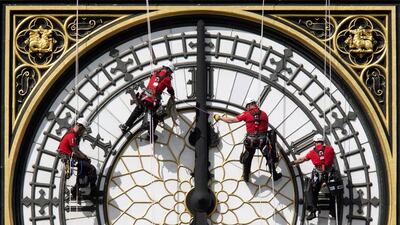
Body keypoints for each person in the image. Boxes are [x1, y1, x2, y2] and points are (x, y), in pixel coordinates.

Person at [214, 98, 282, 182]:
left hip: (251, 141)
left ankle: (246, 176)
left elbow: (231, 120)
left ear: (248, 105)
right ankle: (274, 175)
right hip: (263, 141)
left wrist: (220, 117)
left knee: (248, 156)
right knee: (269, 157)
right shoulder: (264, 114)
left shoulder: (246, 114)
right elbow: (265, 127)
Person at [120, 62, 175, 141]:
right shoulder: (167, 79)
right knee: (157, 115)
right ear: (169, 70)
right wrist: (172, 95)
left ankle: (125, 126)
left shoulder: (155, 73)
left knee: (138, 110)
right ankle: (150, 134)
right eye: (171, 72)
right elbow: (170, 89)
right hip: (153, 100)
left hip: (144, 96)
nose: (171, 74)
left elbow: (152, 82)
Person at [292, 133, 337, 220]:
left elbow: (303, 159)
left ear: (314, 143)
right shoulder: (330, 149)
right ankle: (333, 210)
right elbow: (333, 157)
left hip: (318, 174)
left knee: (311, 191)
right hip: (329, 173)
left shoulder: (312, 152)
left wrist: (293, 162)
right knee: (333, 192)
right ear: (322, 141)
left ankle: (312, 211)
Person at [57, 118, 98, 201]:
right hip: (67, 159)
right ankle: (93, 192)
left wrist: (84, 157)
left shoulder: (71, 134)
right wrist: (85, 157)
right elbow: (75, 150)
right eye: (82, 129)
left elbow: (76, 151)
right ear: (79, 126)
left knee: (83, 168)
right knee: (92, 169)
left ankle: (75, 189)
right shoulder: (71, 136)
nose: (82, 132)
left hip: (68, 158)